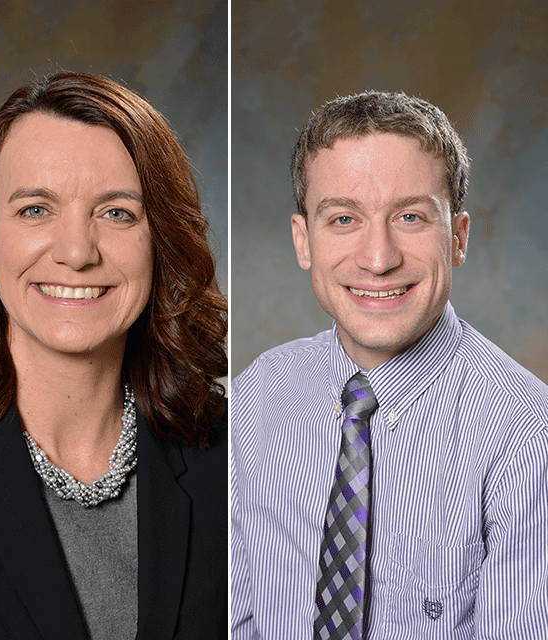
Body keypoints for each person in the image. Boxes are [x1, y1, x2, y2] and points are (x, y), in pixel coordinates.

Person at [0, 72, 228, 639]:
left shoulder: (235, 460)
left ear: (163, 246)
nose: (77, 252)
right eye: (35, 209)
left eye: (118, 213)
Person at [231, 90, 548, 638]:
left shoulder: (525, 434)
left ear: (458, 238)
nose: (378, 259)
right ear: (303, 241)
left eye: (410, 216)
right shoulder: (257, 397)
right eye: (343, 219)